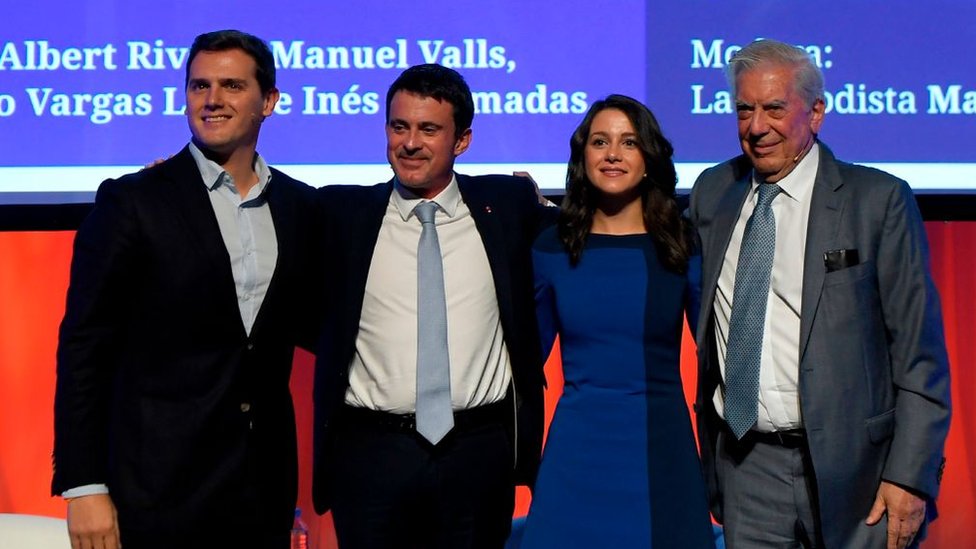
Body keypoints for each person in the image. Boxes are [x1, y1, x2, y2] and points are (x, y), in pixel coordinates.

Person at [52, 30, 319, 549]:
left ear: (268, 101)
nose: (212, 99)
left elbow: (310, 327)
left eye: (231, 85)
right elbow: (85, 346)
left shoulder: (300, 207)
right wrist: (84, 485)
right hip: (154, 492)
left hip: (261, 493)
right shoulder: (134, 201)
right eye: (199, 86)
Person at [689, 38, 951, 548]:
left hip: (861, 477)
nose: (756, 127)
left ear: (815, 113)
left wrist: (910, 475)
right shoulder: (713, 193)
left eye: (773, 109)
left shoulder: (877, 201)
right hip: (746, 467)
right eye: (744, 110)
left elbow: (919, 355)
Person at [311, 63, 551, 548]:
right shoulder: (342, 213)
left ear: (462, 141)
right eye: (399, 127)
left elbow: (592, 224)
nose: (410, 143)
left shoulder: (506, 205)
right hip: (371, 455)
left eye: (428, 129)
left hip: (477, 454)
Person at [521, 95, 714, 548]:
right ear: (582, 156)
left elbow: (717, 350)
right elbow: (524, 362)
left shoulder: (680, 246)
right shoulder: (552, 248)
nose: (612, 154)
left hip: (661, 450)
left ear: (648, 158)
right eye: (600, 142)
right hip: (576, 452)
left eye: (629, 142)